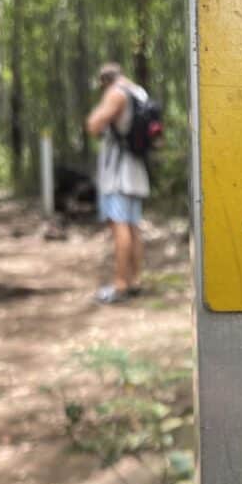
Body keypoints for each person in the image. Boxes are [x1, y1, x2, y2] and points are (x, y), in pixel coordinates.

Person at [86, 62, 149, 303]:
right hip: (135, 168)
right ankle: (135, 280)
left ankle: (121, 284)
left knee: (120, 225)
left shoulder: (115, 94)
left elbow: (94, 125)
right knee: (133, 225)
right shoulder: (138, 91)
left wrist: (101, 106)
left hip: (118, 172)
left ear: (104, 81)